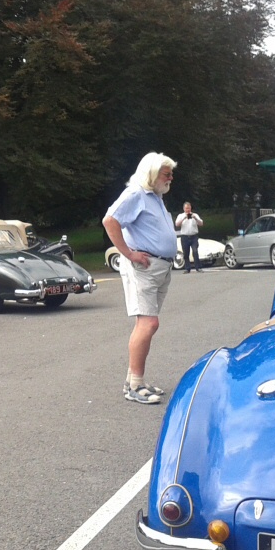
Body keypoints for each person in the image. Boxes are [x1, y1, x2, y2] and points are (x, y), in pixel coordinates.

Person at [102, 152, 177, 405]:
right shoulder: (136, 194)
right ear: (152, 174)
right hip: (144, 267)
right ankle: (134, 385)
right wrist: (128, 253)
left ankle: (134, 380)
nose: (171, 178)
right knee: (148, 324)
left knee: (146, 324)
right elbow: (110, 220)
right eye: (167, 174)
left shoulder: (155, 197)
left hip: (159, 267)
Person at [175, 202, 203, 273]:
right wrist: (184, 218)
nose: (188, 210)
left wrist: (195, 218)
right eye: (186, 208)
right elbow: (177, 224)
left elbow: (201, 223)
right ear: (184, 208)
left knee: (195, 251)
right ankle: (187, 268)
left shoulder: (195, 215)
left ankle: (198, 267)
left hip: (194, 236)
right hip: (185, 237)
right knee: (186, 253)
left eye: (189, 208)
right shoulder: (181, 215)